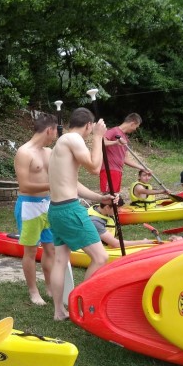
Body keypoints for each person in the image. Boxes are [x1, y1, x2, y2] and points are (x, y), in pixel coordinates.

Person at [47, 107, 115, 321]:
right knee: (101, 257)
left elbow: (73, 183)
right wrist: (99, 137)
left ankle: (59, 311)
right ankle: (81, 305)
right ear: (88, 125)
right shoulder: (74, 139)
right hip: (69, 210)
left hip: (56, 209)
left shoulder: (61, 143)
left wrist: (100, 197)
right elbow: (95, 168)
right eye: (91, 130)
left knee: (60, 260)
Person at [13, 112, 58, 305]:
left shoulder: (49, 152)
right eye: (55, 131)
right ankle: (33, 291)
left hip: (47, 204)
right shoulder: (24, 152)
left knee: (51, 248)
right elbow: (24, 186)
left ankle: (49, 286)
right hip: (29, 206)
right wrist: (53, 185)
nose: (56, 136)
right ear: (49, 130)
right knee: (31, 251)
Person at [99, 113, 148, 193]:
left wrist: (142, 167)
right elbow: (101, 142)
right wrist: (115, 142)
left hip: (118, 172)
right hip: (109, 170)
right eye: (136, 126)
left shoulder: (125, 138)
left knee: (114, 196)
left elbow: (126, 159)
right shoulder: (114, 131)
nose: (135, 129)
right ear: (132, 124)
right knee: (108, 196)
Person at [88, 198, 153, 248]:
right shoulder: (95, 221)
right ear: (107, 207)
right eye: (117, 208)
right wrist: (143, 242)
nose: (119, 211)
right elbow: (116, 244)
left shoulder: (102, 209)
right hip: (98, 251)